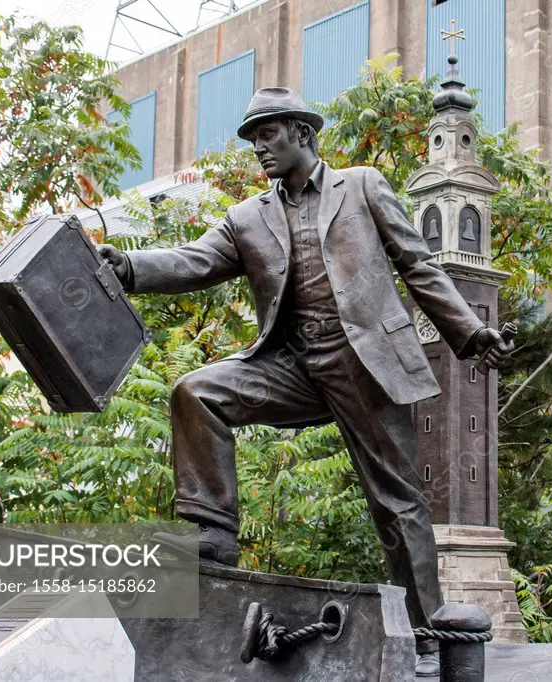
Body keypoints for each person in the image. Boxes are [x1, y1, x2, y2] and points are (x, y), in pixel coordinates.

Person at [97, 87, 513, 677]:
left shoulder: (363, 186)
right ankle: (212, 532)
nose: (260, 147)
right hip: (292, 367)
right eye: (253, 138)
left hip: (365, 363)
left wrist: (469, 334)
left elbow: (418, 265)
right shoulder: (246, 218)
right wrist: (131, 266)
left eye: (269, 134)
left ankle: (426, 632)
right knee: (196, 391)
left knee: (398, 504)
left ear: (303, 133)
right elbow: (194, 261)